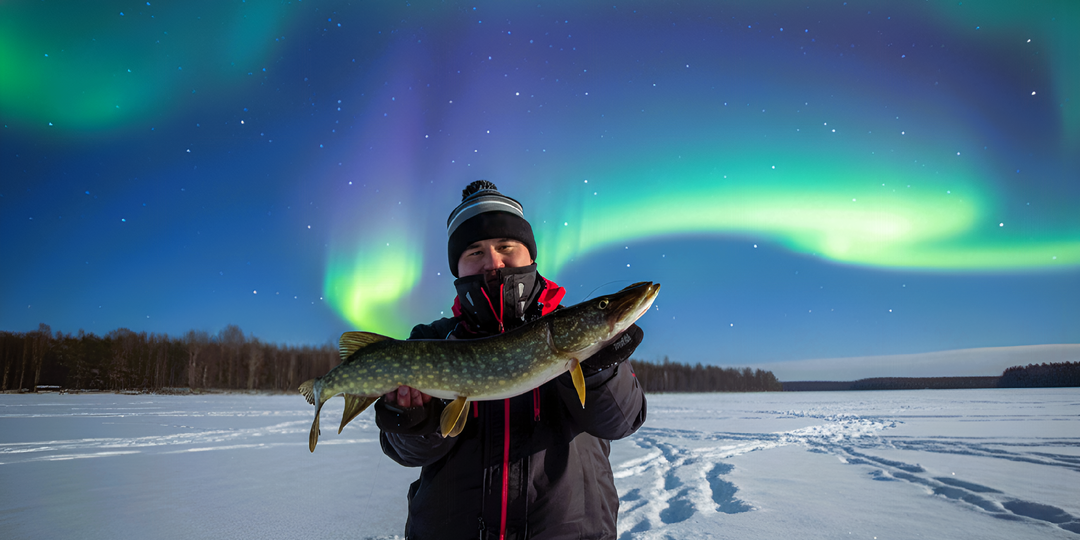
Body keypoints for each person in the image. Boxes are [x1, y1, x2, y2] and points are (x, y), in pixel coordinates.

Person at [374, 180, 648, 540]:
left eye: (506, 246)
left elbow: (621, 423)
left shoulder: (573, 332)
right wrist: (412, 420)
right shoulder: (432, 340)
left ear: (530, 255)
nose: (493, 262)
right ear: (457, 267)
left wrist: (600, 372)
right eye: (474, 252)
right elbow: (407, 452)